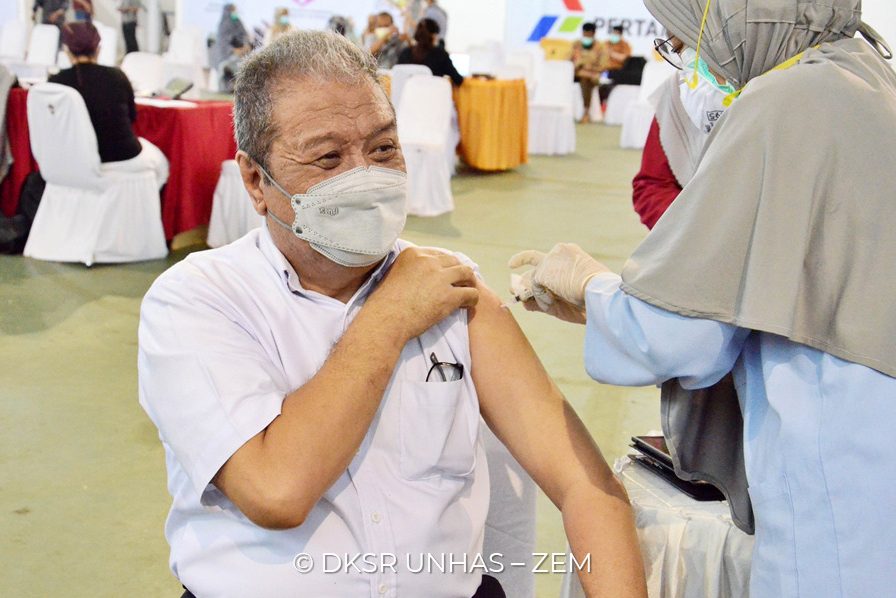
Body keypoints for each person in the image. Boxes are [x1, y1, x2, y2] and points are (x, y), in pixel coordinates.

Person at [137, 30, 647, 598]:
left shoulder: (451, 286)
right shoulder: (199, 300)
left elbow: (586, 485)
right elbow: (275, 491)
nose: (366, 176)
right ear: (256, 181)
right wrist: (390, 315)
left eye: (382, 149)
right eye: (328, 157)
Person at [509, 0, 896, 596]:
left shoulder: (782, 99)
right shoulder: (862, 70)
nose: (686, 57)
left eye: (681, 36)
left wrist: (590, 287)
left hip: (837, 450)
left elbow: (681, 335)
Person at [48, 22, 168, 187]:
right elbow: (132, 117)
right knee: (160, 163)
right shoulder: (116, 77)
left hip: (75, 157)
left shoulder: (56, 82)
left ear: (67, 50)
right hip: (122, 156)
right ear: (98, 49)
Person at [632, 48, 733, 229]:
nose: (683, 55)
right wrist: (686, 228)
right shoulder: (680, 91)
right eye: (676, 49)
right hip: (691, 237)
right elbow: (652, 185)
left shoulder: (781, 91)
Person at [397, 18, 463, 86]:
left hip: (407, 96)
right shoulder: (440, 54)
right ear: (434, 36)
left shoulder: (405, 53)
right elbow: (458, 80)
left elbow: (398, 77)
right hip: (433, 95)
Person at [571, 22, 607, 123]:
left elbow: (603, 65)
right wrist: (578, 63)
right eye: (585, 34)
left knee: (586, 81)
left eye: (589, 34)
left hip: (590, 75)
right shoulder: (576, 44)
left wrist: (589, 66)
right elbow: (569, 59)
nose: (586, 36)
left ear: (594, 34)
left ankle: (586, 111)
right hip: (575, 72)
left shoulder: (600, 47)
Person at [212, 4, 251, 92]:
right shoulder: (223, 25)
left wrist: (245, 46)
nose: (235, 12)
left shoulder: (238, 22)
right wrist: (233, 50)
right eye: (233, 10)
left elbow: (244, 35)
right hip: (226, 55)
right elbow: (223, 43)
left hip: (241, 53)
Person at [598, 25, 633, 104]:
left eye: (617, 33)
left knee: (611, 88)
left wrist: (612, 53)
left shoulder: (624, 45)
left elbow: (624, 58)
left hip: (616, 71)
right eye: (613, 33)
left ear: (620, 34)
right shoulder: (606, 43)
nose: (614, 35)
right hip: (603, 70)